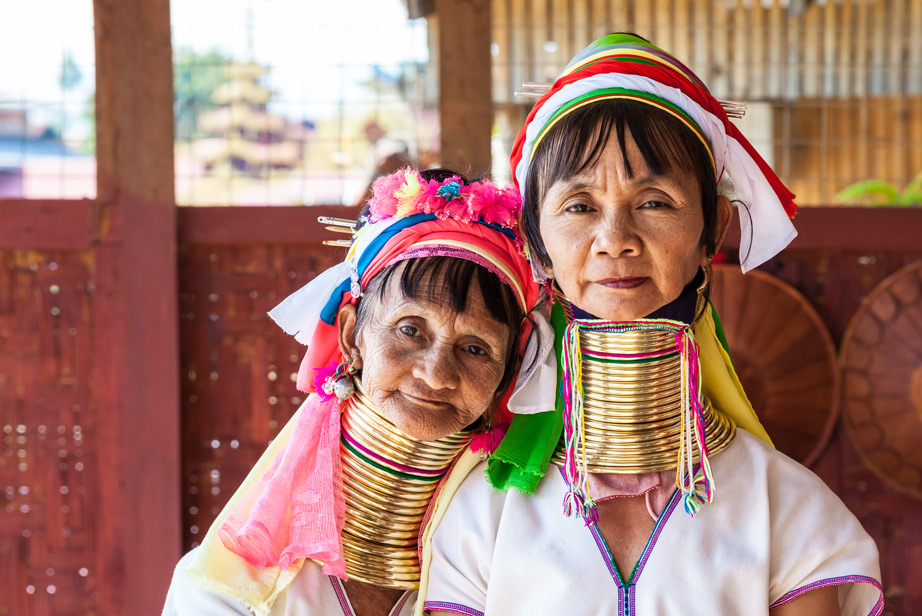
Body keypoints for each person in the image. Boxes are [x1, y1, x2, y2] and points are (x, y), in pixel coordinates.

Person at [420, 34, 883, 616]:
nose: (615, 239)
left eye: (655, 202)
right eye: (579, 206)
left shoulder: (787, 511)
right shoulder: (483, 515)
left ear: (710, 235)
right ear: (538, 248)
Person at [162, 168, 541, 616]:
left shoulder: (521, 567)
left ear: (509, 371)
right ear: (350, 336)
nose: (437, 374)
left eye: (475, 348)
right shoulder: (219, 595)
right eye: (410, 329)